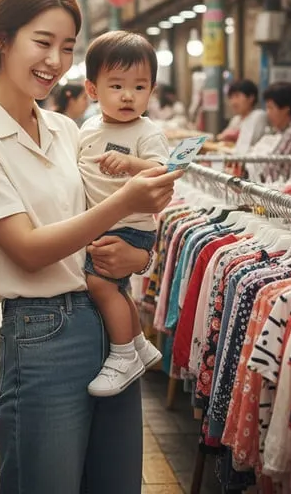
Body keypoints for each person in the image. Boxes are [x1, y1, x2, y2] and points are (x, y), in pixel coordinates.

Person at [0, 0, 181, 494]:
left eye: (67, 47)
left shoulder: (67, 130)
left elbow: (108, 225)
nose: (55, 60)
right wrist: (126, 200)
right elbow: (27, 251)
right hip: (43, 333)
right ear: (1, 39)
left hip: (110, 324)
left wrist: (137, 260)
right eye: (42, 42)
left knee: (116, 485)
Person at [78, 31, 168, 397]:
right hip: (99, 224)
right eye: (116, 85)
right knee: (118, 288)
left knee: (100, 284)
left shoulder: (148, 132)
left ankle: (123, 354)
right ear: (92, 89)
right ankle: (139, 345)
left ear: (152, 90)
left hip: (130, 228)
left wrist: (132, 164)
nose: (128, 96)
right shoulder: (87, 129)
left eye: (139, 86)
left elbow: (163, 173)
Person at [246, 81, 291, 181]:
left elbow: (276, 175)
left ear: (286, 109)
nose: (267, 113)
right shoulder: (278, 132)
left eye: (270, 107)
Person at [218, 79, 268, 154]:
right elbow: (222, 137)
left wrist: (233, 137)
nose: (233, 102)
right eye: (231, 97)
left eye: (237, 96)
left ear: (251, 98)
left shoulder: (258, 116)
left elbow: (249, 142)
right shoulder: (236, 119)